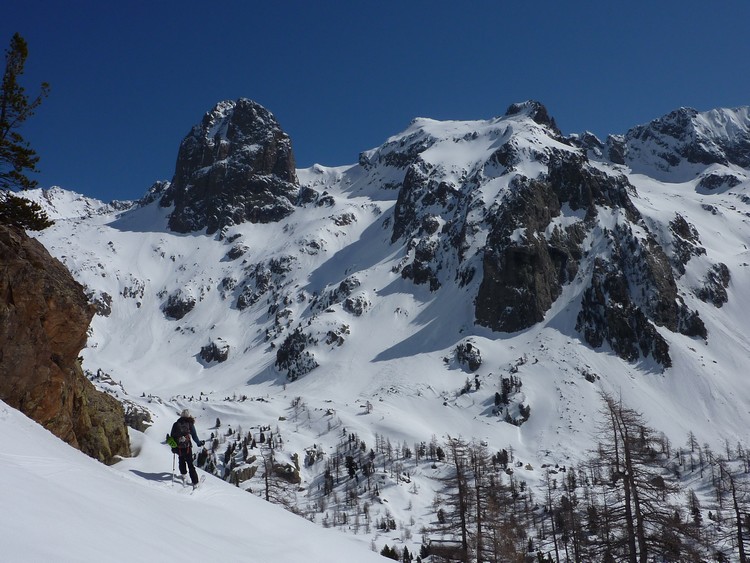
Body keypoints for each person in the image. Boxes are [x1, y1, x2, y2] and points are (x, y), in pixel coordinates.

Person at [170, 409, 205, 487]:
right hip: (187, 447)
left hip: (178, 447)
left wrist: (174, 446)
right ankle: (195, 482)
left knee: (181, 460)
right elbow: (194, 436)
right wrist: (199, 443)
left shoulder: (176, 424)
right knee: (190, 464)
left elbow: (172, 435)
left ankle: (183, 474)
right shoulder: (190, 424)